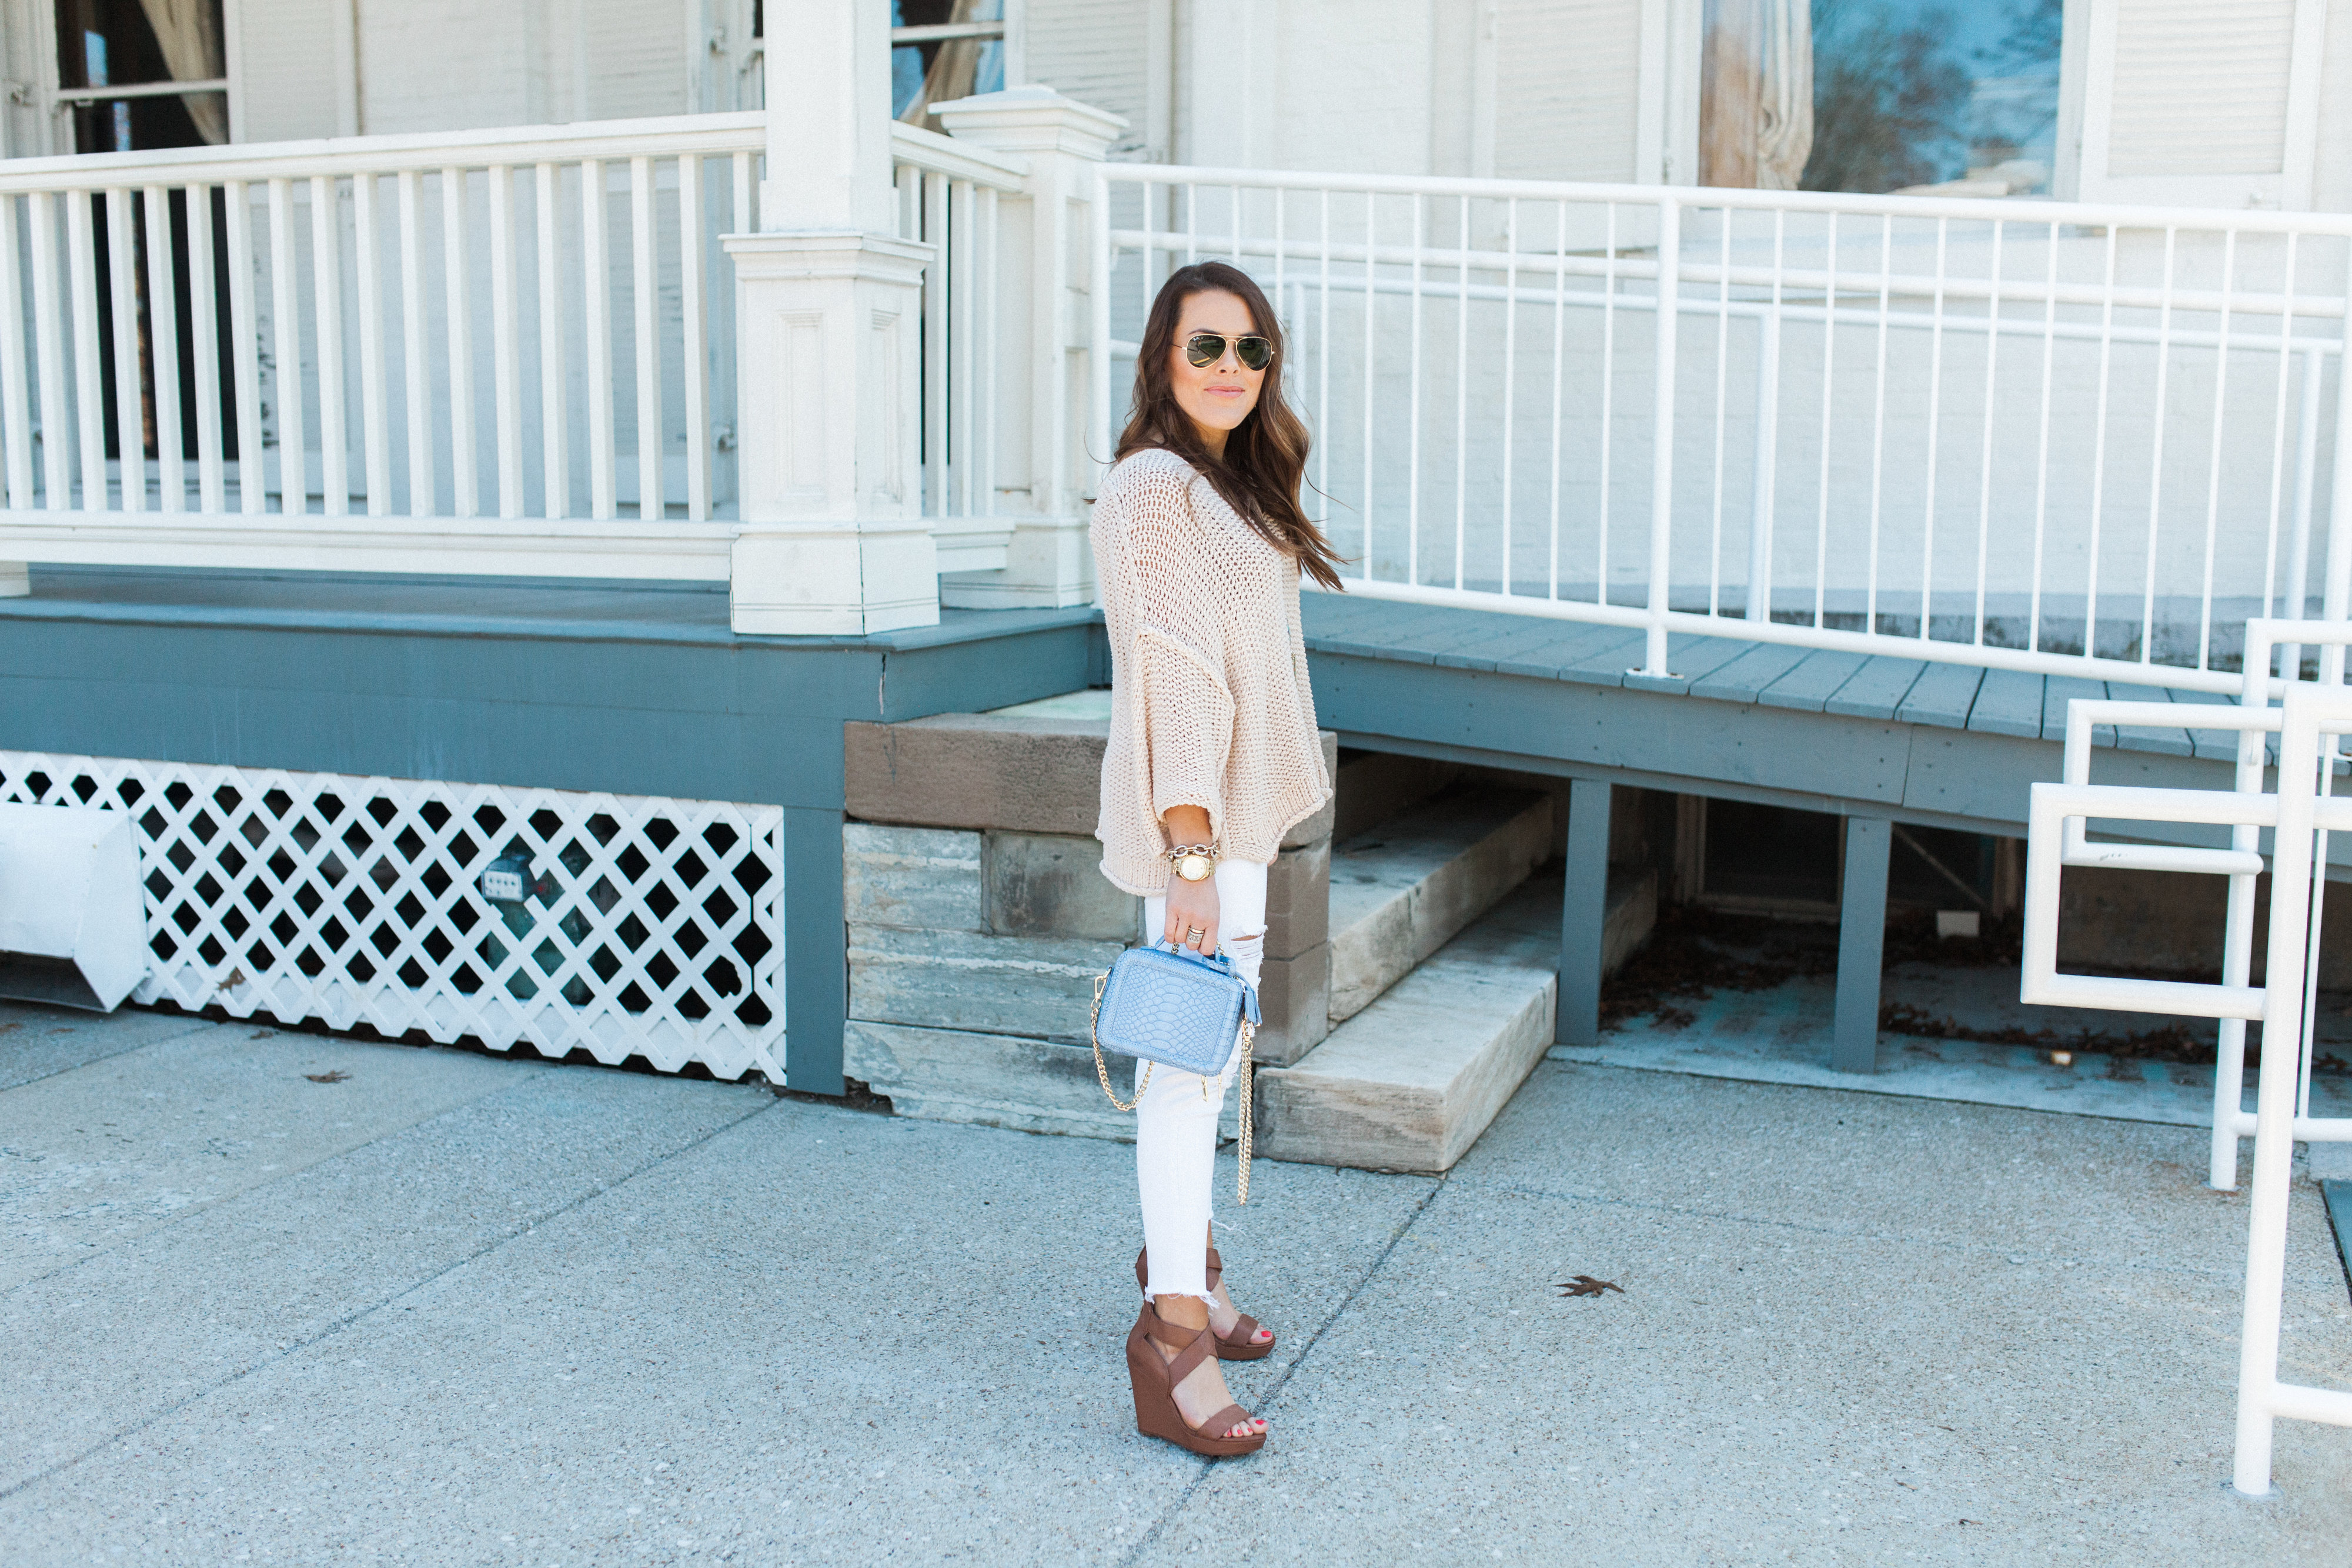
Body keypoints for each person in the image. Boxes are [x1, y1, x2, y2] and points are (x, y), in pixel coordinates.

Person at [1091, 260, 1348, 1458]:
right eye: (1206, 347)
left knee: (1211, 1051)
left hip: (1227, 825)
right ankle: (1171, 1333)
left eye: (1251, 348)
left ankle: (1185, 1258)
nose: (1233, 369)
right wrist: (1187, 852)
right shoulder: (1154, 487)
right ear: (1161, 359)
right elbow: (1178, 670)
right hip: (1198, 831)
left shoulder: (1224, 483)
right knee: (1187, 1068)